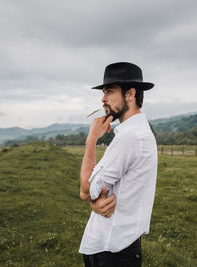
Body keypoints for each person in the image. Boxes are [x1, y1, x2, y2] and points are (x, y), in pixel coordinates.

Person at [79, 62, 158, 267]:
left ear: (130, 94)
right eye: (104, 92)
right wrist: (95, 204)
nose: (103, 98)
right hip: (117, 248)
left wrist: (91, 140)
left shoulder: (130, 136)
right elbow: (94, 195)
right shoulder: (137, 132)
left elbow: (86, 191)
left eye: (110, 91)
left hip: (113, 252)